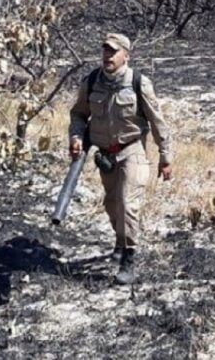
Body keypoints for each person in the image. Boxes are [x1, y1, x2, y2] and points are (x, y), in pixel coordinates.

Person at [68, 33, 172, 285]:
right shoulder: (92, 81)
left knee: (127, 204)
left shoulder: (139, 83)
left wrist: (165, 156)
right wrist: (75, 137)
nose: (108, 56)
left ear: (126, 55)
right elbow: (78, 115)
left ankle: (129, 258)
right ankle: (120, 239)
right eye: (105, 51)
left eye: (113, 51)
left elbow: (158, 121)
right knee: (112, 204)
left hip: (132, 150)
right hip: (105, 155)